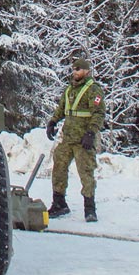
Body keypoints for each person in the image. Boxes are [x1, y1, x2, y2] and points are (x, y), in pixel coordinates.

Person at [46, 56, 106, 223]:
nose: (75, 72)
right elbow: (62, 109)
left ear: (86, 71)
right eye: (73, 69)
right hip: (68, 137)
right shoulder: (69, 90)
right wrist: (52, 122)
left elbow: (99, 113)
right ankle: (59, 203)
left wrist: (91, 133)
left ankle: (90, 208)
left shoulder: (93, 90)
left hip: (83, 139)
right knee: (59, 168)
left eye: (78, 69)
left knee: (86, 172)